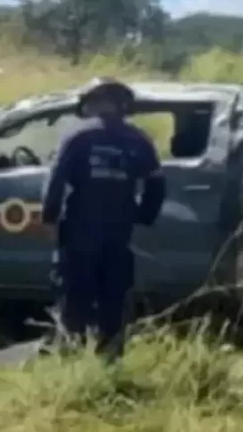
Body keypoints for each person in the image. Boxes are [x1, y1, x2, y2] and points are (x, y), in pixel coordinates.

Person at [41, 77, 166, 361]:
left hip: (79, 229)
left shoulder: (78, 137)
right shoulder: (139, 140)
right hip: (119, 231)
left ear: (93, 102)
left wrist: (49, 218)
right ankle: (110, 357)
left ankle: (71, 357)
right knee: (113, 296)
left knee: (75, 296)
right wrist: (144, 215)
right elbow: (156, 184)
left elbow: (56, 180)